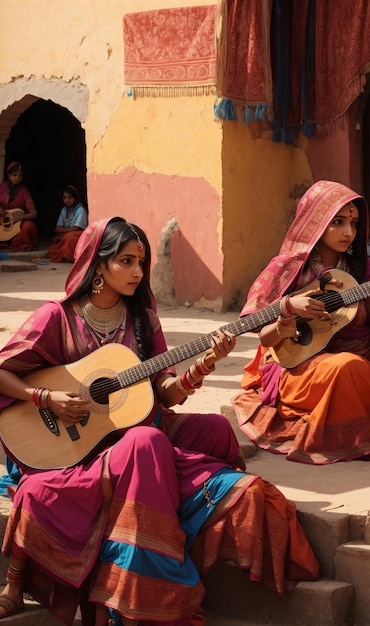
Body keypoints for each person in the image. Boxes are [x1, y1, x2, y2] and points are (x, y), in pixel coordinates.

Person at [0, 217, 319, 625]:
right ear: (98, 267)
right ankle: (123, 579)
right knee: (144, 444)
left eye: (142, 262)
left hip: (131, 430)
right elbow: (5, 372)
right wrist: (46, 397)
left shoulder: (141, 320)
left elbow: (162, 391)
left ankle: (175, 535)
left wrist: (200, 369)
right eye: (127, 261)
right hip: (78, 447)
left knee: (217, 431)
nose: (137, 272)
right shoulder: (57, 318)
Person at [232, 180, 370, 465]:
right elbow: (263, 333)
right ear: (315, 225)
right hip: (305, 363)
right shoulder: (291, 268)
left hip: (360, 352)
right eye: (339, 222)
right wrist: (289, 306)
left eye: (354, 223)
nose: (349, 232)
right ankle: (359, 423)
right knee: (348, 367)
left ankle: (368, 414)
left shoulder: (361, 268)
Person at [0, 161, 37, 251]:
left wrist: (20, 217)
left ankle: (15, 243)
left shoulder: (24, 191)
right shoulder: (1, 187)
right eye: (14, 175)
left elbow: (34, 213)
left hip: (16, 225)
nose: (17, 178)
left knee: (29, 226)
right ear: (8, 175)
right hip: (1, 222)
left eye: (20, 176)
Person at [48, 184, 88, 262]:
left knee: (70, 237)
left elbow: (77, 228)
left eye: (69, 198)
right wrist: (64, 233)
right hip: (66, 236)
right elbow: (57, 228)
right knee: (52, 249)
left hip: (77, 236)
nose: (67, 200)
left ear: (75, 199)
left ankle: (68, 256)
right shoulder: (64, 210)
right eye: (64, 197)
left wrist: (64, 233)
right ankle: (64, 254)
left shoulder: (80, 210)